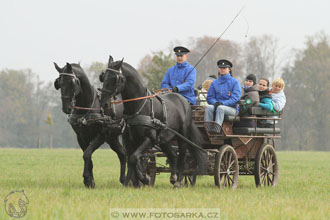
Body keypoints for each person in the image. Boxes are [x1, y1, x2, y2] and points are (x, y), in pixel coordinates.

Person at [205, 59, 241, 127]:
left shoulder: (235, 82)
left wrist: (223, 104)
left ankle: (217, 129)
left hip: (232, 109)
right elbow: (210, 97)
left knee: (220, 108)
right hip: (217, 106)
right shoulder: (214, 83)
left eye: (224, 68)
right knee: (209, 107)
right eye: (220, 68)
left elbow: (235, 98)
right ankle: (208, 129)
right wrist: (215, 103)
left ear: (229, 69)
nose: (222, 69)